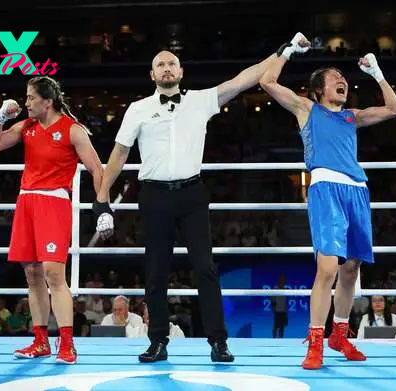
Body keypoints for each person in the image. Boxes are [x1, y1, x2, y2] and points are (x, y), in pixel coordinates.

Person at [93, 44, 292, 363]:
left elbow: (243, 80)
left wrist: (283, 52)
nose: (167, 68)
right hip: (154, 195)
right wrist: (102, 197)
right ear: (152, 74)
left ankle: (218, 341)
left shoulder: (201, 101)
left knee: (205, 269)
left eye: (172, 63)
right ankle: (157, 340)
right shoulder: (138, 108)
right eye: (161, 65)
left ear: (181, 71)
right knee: (156, 272)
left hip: (192, 195)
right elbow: (118, 155)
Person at [260, 32, 396, 369]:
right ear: (319, 89)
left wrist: (377, 73)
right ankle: (315, 343)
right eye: (335, 79)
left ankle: (339, 333)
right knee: (327, 269)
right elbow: (267, 81)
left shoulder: (352, 116)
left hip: (357, 189)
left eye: (344, 79)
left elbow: (395, 109)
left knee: (351, 269)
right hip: (325, 189)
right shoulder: (307, 108)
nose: (342, 82)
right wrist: (290, 49)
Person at [0, 76, 104, 364]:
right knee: (32, 274)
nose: (26, 103)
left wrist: (102, 207)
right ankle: (40, 341)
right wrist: (0, 117)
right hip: (26, 201)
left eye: (31, 98)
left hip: (54, 202)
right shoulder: (27, 127)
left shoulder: (73, 130)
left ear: (47, 101)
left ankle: (67, 344)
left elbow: (97, 168)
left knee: (53, 273)